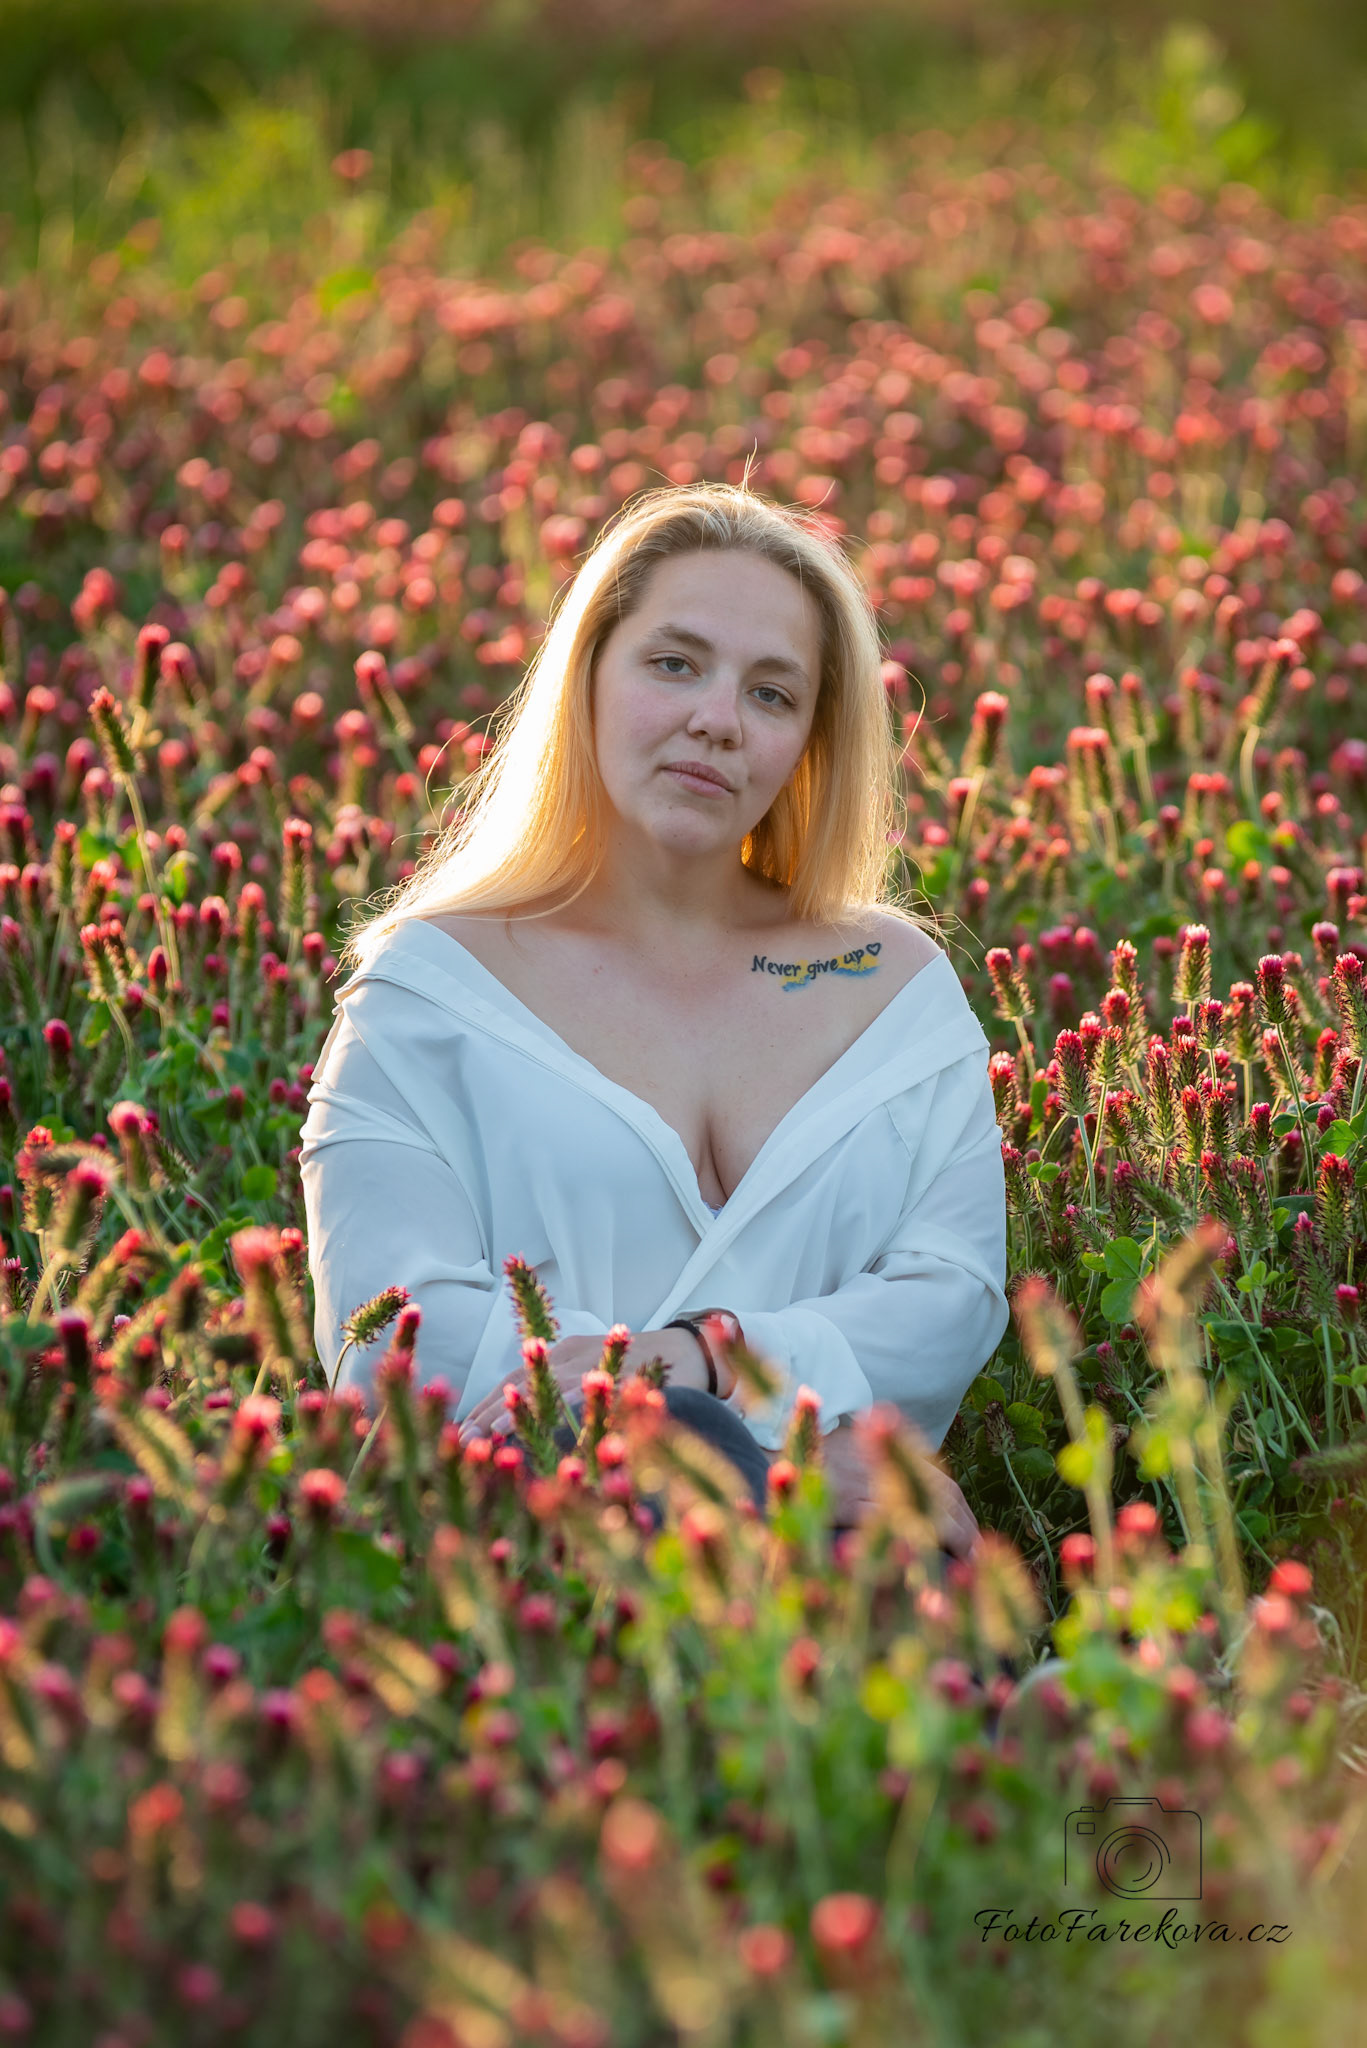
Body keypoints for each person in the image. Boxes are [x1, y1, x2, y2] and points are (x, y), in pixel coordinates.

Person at [300, 481, 1008, 1558]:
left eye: (772, 693)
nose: (718, 719)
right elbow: (400, 1343)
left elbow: (949, 1299)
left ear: (810, 740)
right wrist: (765, 1461)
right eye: (673, 663)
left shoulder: (893, 985)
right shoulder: (428, 990)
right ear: (585, 677)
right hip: (534, 1578)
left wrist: (710, 1356)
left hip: (855, 1578)